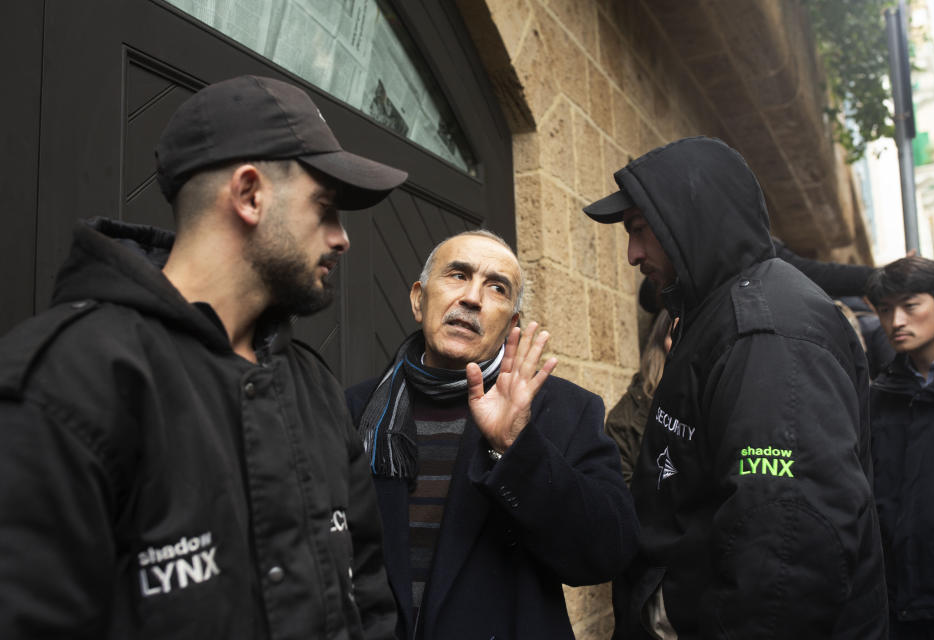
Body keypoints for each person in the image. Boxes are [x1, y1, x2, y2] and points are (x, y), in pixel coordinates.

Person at [0, 75, 407, 639]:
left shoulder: (313, 386)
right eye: (326, 208)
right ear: (248, 194)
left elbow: (369, 599)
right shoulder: (67, 380)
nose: (342, 239)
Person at [583, 136, 887, 639]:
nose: (633, 253)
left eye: (640, 229)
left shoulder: (765, 334)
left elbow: (787, 547)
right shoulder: (717, 316)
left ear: (688, 219)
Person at [344, 229, 641, 640]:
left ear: (511, 323)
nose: (472, 298)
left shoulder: (564, 411)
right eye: (457, 275)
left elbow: (608, 552)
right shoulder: (352, 411)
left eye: (496, 288)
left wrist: (516, 448)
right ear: (418, 299)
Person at [865, 256, 934, 639]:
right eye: (885, 310)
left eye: (910, 306)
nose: (896, 322)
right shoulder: (879, 395)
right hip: (896, 600)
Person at [605, 308, 672, 484]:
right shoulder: (625, 417)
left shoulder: (721, 395)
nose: (684, 341)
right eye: (674, 333)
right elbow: (622, 491)